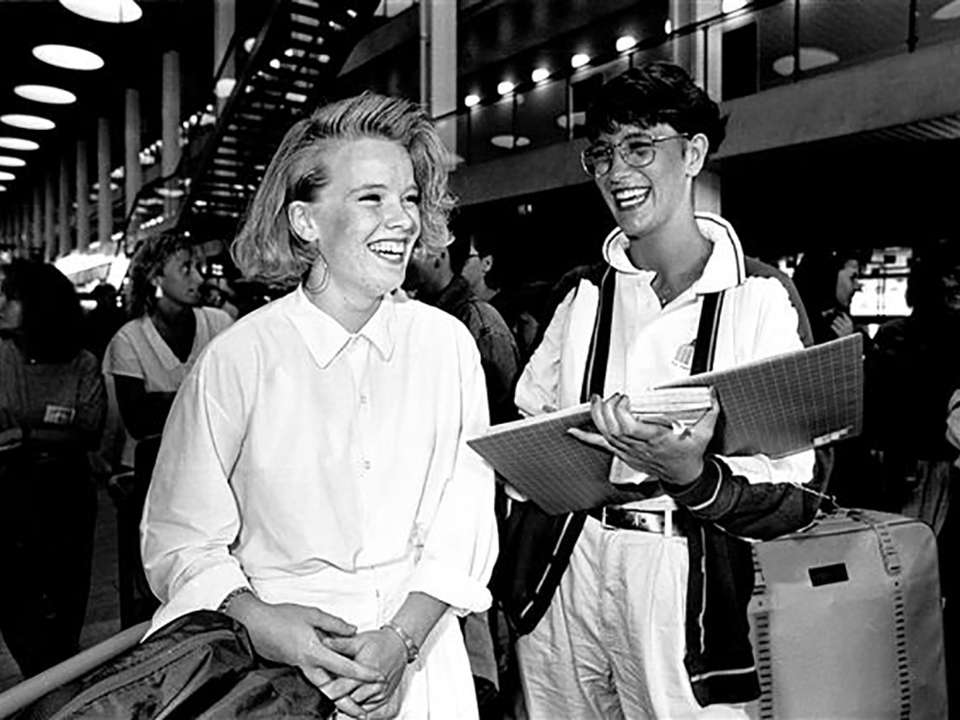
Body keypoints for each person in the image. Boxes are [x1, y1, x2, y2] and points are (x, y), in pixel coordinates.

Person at [141, 92, 497, 719]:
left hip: (420, 659)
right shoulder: (238, 359)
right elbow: (181, 537)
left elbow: (464, 515)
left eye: (409, 197)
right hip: (278, 672)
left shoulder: (447, 347)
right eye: (371, 198)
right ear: (306, 223)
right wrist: (261, 620)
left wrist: (401, 641)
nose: (402, 219)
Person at [506, 62, 825, 719]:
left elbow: (801, 489)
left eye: (641, 146)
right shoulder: (583, 294)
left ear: (694, 153)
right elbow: (527, 436)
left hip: (680, 576)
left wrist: (693, 474)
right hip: (570, 565)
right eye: (603, 152)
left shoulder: (757, 297)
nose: (618, 170)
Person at [102, 232, 233, 625]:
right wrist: (204, 398)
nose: (198, 277)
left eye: (198, 267)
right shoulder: (130, 340)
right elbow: (138, 419)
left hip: (215, 469)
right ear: (157, 277)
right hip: (146, 474)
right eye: (186, 268)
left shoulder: (220, 322)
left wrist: (170, 400)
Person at [0, 260, 106, 677]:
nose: (2, 303)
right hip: (9, 499)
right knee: (16, 608)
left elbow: (89, 431)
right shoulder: (3, 356)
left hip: (66, 497)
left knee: (65, 606)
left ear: (39, 303)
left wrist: (23, 433)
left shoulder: (81, 362)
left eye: (12, 295)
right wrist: (46, 432)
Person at [406, 232, 521, 424]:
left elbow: (504, 412)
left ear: (440, 254)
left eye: (415, 247)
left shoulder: (479, 321)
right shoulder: (413, 318)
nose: (405, 256)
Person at [791, 248, 865, 344]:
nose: (856, 286)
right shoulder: (799, 328)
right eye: (852, 278)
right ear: (830, 277)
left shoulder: (839, 320)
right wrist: (847, 345)